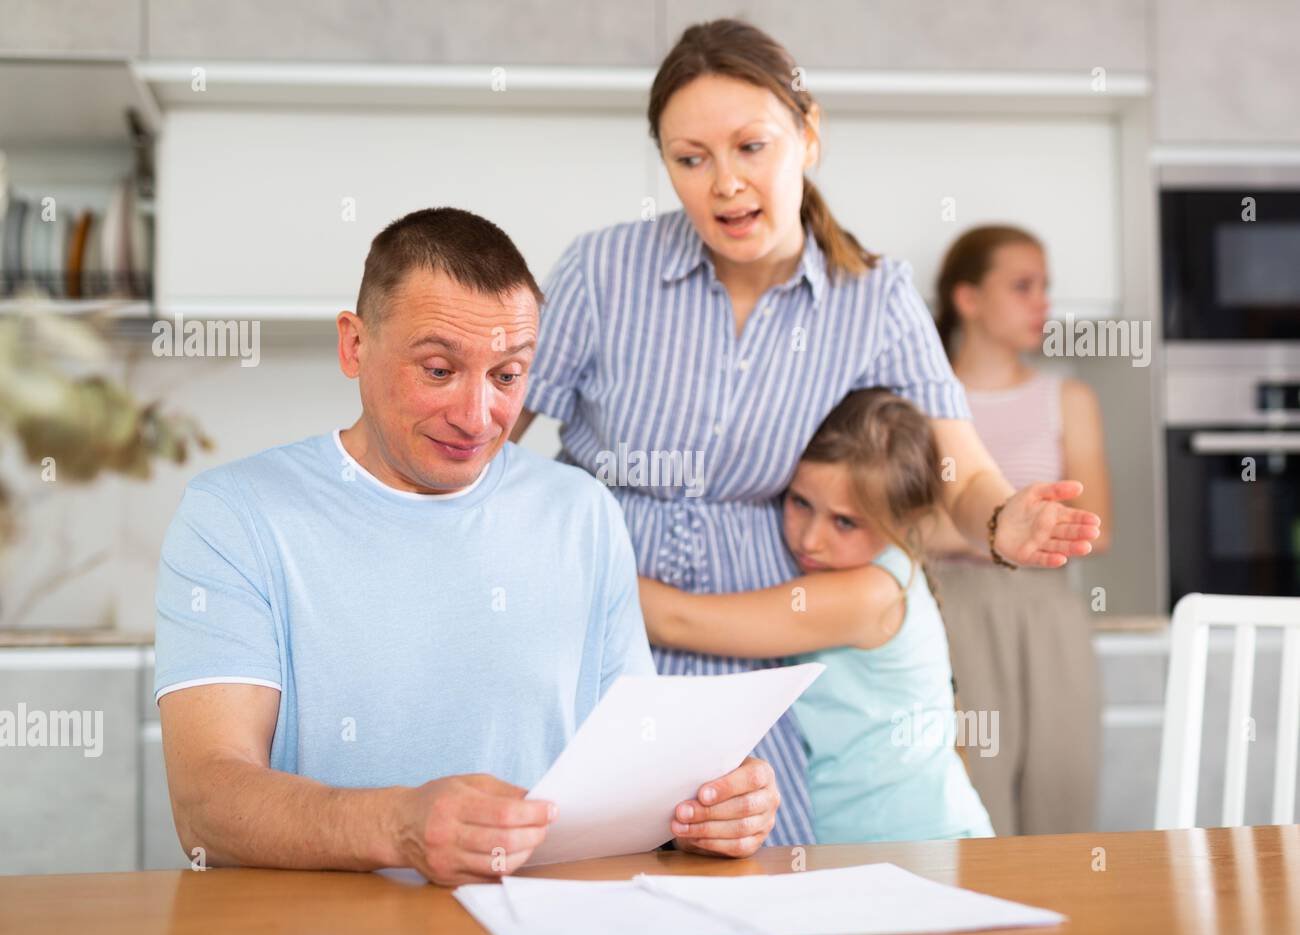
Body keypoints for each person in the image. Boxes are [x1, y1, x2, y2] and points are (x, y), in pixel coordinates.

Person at [510, 18, 1100, 846]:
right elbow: (492, 435)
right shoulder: (602, 270)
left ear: (808, 135)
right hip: (592, 623)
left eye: (752, 146)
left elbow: (961, 474)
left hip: (758, 651)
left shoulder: (877, 298)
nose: (724, 185)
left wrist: (1008, 520)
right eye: (691, 159)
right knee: (577, 866)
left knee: (751, 877)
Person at [153, 207, 781, 888]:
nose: (477, 417)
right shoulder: (236, 515)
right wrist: (400, 827)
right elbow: (206, 805)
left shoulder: (582, 513)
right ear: (355, 345)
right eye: (438, 369)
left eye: (507, 376)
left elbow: (637, 773)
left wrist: (708, 808)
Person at [639, 389, 994, 843]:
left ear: (906, 522)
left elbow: (679, 621)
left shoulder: (869, 593)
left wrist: (573, 561)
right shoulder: (865, 572)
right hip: (860, 849)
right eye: (800, 503)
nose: (810, 539)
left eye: (845, 522)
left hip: (923, 844)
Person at [927, 225, 1112, 835]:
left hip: (1047, 613)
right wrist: (1006, 531)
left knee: (1062, 793)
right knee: (973, 802)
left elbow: (1098, 525)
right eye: (1022, 286)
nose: (1043, 304)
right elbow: (898, 530)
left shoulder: (1068, 396)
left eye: (1046, 288)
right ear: (968, 298)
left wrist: (960, 529)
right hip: (949, 613)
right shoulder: (922, 402)